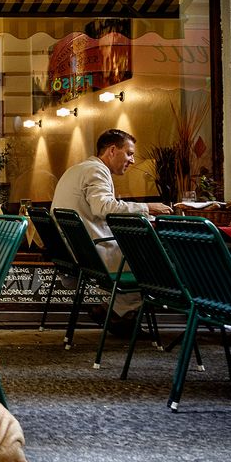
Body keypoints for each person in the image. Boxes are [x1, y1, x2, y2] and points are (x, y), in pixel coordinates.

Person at [50, 128, 173, 335]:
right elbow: (104, 208)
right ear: (113, 150)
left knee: (143, 255)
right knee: (152, 261)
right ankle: (121, 314)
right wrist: (148, 208)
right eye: (129, 153)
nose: (132, 160)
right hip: (92, 252)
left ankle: (114, 311)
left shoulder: (77, 169)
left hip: (75, 250)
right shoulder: (95, 171)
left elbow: (99, 208)